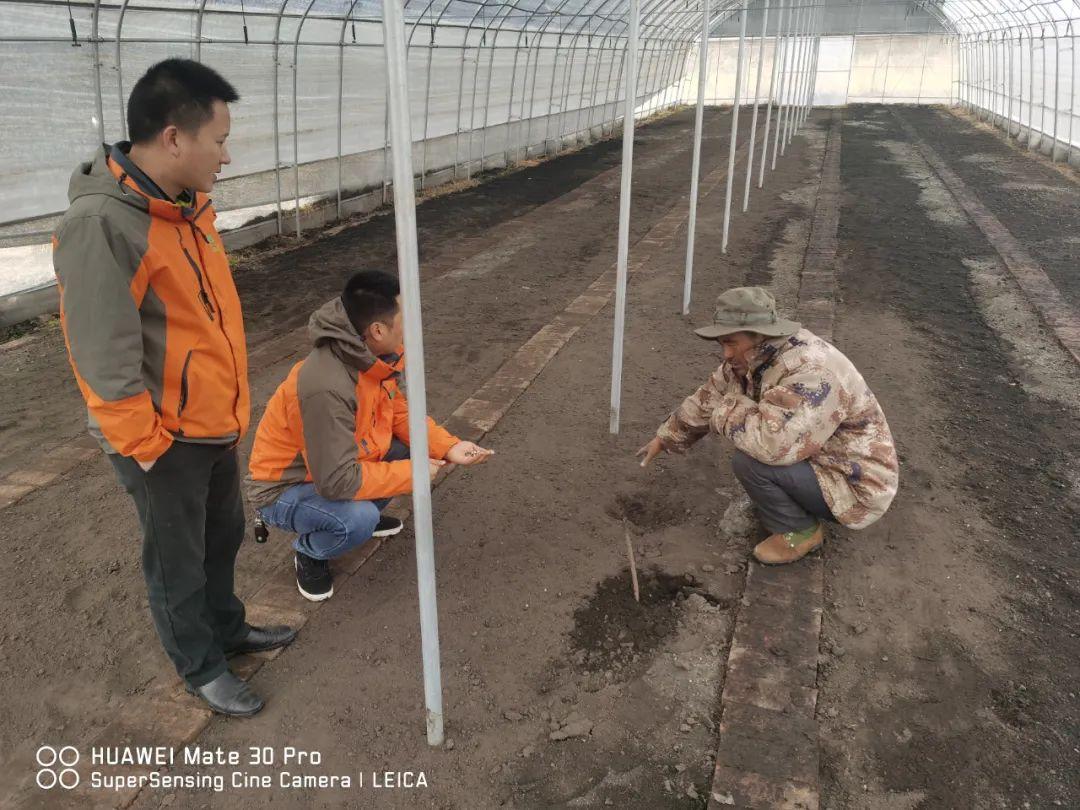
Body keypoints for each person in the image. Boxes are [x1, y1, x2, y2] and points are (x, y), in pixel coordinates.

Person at [52, 59, 296, 718]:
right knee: (176, 560)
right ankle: (201, 665)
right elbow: (101, 355)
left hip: (214, 423)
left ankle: (226, 629)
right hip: (163, 441)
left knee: (221, 540)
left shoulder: (186, 210)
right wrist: (148, 446)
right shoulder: (104, 225)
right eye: (218, 139)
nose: (226, 154)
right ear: (173, 138)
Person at [247, 270, 493, 601]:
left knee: (410, 449)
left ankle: (361, 516)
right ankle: (310, 551)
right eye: (403, 318)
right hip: (284, 487)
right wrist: (414, 473)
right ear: (377, 330)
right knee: (356, 520)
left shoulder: (375, 359)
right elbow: (335, 481)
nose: (409, 326)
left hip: (334, 467)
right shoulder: (325, 386)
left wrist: (449, 447)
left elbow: (400, 414)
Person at [638, 287, 898, 565]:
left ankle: (800, 531)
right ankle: (795, 500)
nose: (725, 354)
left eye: (731, 343)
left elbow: (773, 445)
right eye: (721, 343)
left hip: (857, 483)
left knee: (751, 461)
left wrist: (725, 410)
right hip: (824, 457)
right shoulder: (756, 357)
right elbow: (710, 395)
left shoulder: (810, 371)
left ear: (759, 335)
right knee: (751, 437)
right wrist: (666, 437)